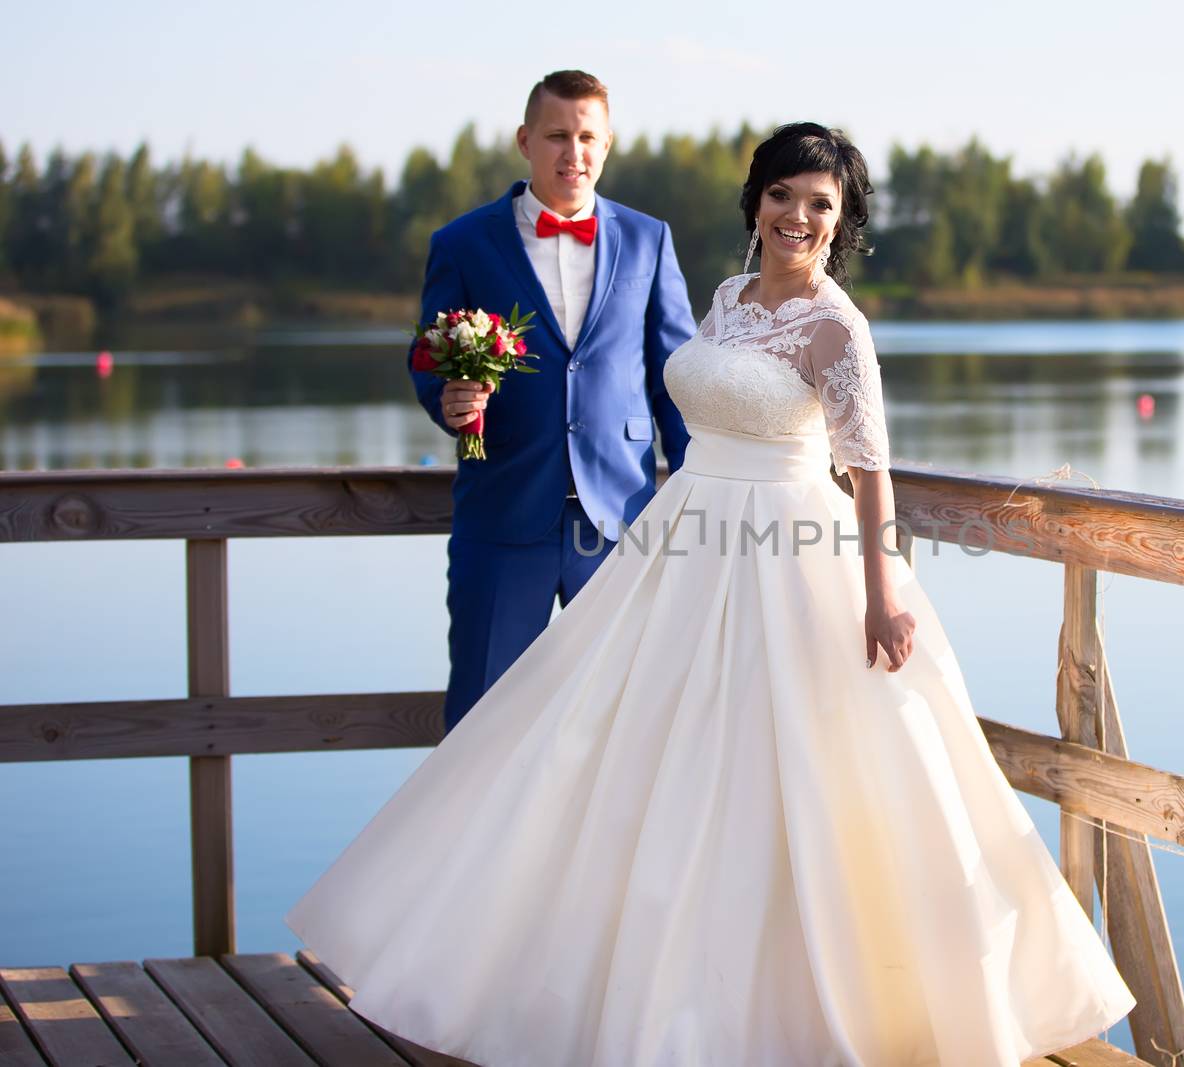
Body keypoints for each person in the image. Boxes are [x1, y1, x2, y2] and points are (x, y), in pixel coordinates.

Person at [290, 122, 1134, 1065]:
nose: (800, 217)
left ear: (843, 220)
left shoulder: (835, 326)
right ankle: (616, 988)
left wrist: (880, 594)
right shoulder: (727, 298)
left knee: (793, 769)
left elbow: (872, 471)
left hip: (787, 553)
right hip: (685, 538)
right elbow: (684, 410)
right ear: (756, 201)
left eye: (823, 204)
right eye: (785, 195)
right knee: (618, 746)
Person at [409, 70, 694, 733]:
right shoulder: (462, 243)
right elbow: (427, 353)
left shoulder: (647, 239)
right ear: (525, 141)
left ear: (608, 143)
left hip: (620, 523)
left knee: (626, 722)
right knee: (483, 722)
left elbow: (673, 377)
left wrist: (693, 481)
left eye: (588, 136)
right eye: (558, 135)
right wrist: (446, 398)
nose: (575, 153)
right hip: (503, 516)